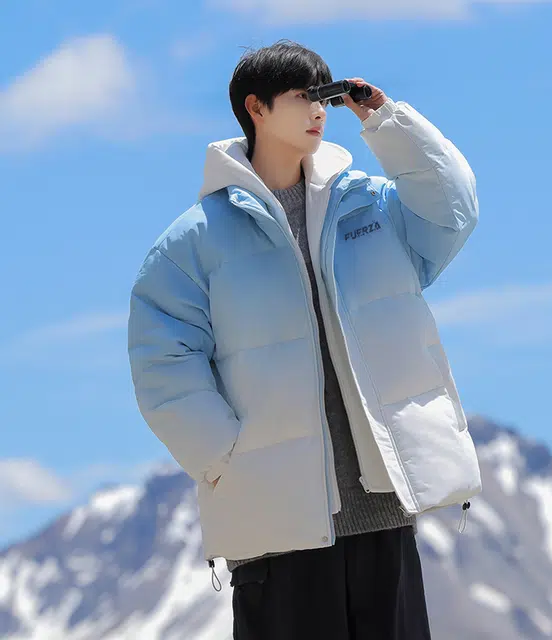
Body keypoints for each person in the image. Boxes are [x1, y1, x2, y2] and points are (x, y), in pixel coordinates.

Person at [127, 39, 482, 640]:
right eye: (302, 96)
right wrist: (228, 458)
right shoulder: (193, 241)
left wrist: (388, 122)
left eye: (325, 97)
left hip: (382, 511)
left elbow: (453, 211)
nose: (319, 110)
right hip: (277, 528)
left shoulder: (372, 208)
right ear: (256, 108)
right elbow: (161, 361)